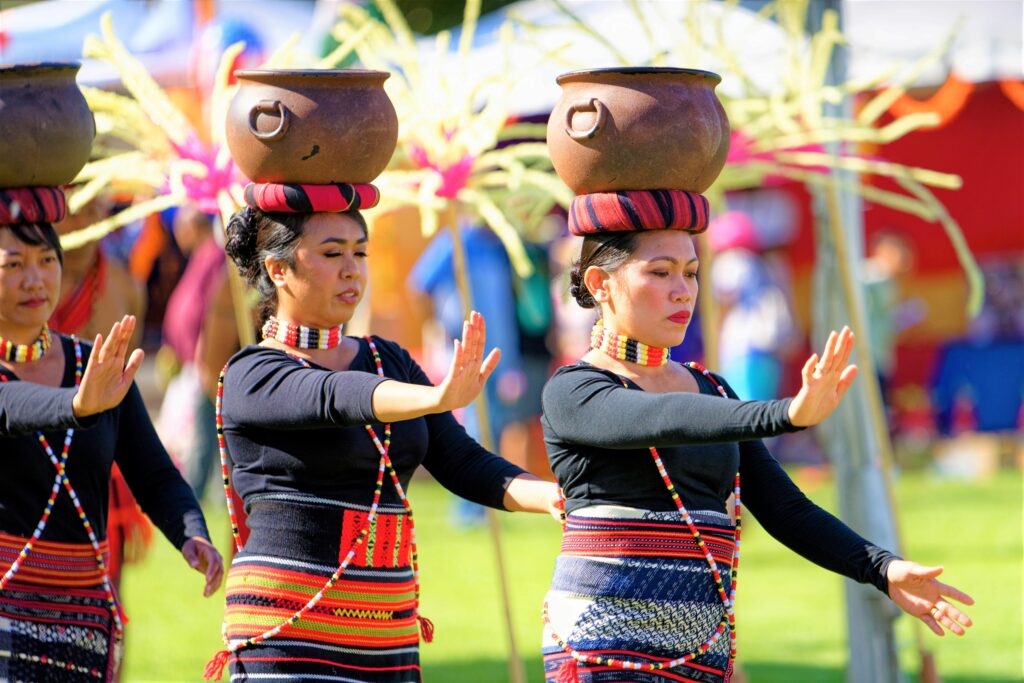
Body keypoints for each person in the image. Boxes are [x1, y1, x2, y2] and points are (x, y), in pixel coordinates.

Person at [540, 213, 974, 683]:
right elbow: (662, 418)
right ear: (600, 283)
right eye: (660, 272)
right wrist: (786, 414)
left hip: (703, 654)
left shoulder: (712, 389)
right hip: (602, 654)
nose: (683, 291)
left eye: (691, 272)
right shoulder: (575, 391)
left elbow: (785, 509)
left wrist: (882, 570)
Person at [203, 196, 558, 682]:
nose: (352, 270)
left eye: (360, 253)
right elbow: (335, 396)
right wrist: (434, 396)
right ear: (278, 269)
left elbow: (462, 461)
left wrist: (554, 497)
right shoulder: (253, 373)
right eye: (332, 254)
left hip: (385, 629)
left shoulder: (386, 359)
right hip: (288, 632)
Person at [0, 208, 223, 682]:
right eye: (13, 265)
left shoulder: (92, 366)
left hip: (86, 623)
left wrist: (190, 531)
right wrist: (77, 406)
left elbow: (155, 473)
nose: (35, 279)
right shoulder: (88, 387)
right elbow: (10, 405)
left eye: (46, 260)